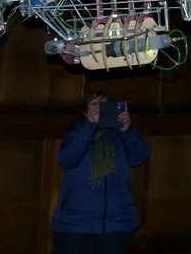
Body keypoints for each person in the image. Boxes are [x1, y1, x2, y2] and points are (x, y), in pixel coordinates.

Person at [50, 90, 151, 254]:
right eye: (95, 104)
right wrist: (90, 126)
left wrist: (127, 130)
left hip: (116, 222)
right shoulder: (77, 131)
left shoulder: (120, 134)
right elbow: (67, 159)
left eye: (104, 104)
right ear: (85, 111)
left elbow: (139, 157)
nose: (100, 108)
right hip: (77, 222)